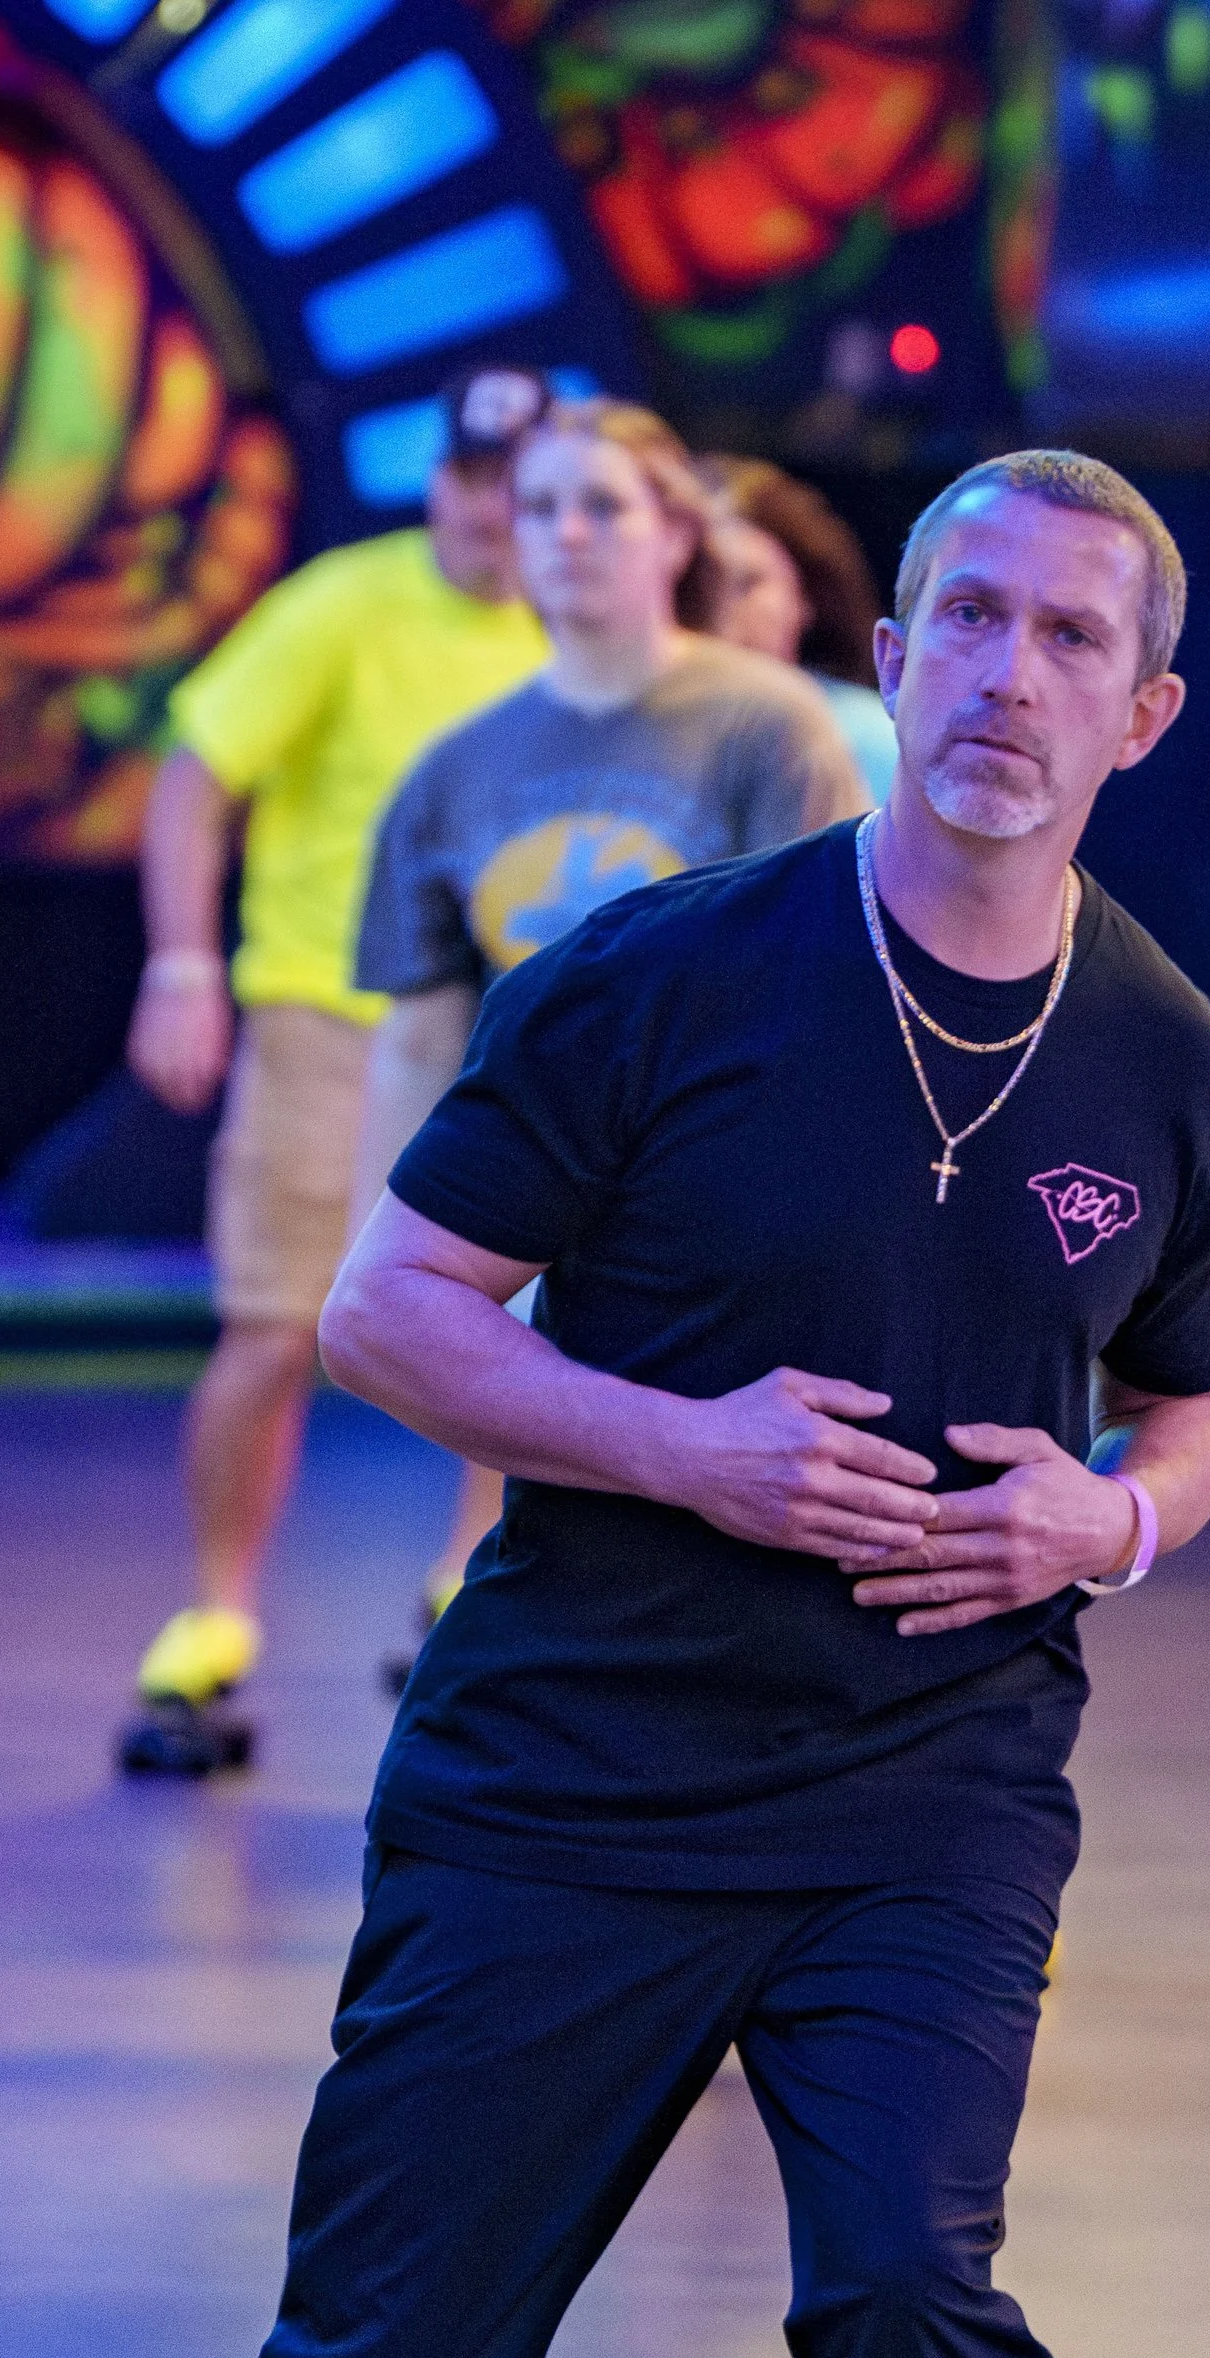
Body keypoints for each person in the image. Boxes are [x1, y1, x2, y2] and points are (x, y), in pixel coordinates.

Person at [43, 450, 1210, 2358]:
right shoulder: (660, 980)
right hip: (572, 1774)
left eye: (1070, 636)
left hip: (927, 1790)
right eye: (964, 612)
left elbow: (1187, 1395)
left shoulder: (1162, 1053)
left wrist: (1120, 1515)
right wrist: (684, 1450)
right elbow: (387, 1310)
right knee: (393, 2350)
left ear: (1135, 714)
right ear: (891, 655)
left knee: (920, 2316)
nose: (1005, 671)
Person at [352, 397, 868, 1679]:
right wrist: (393, 1243)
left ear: (671, 532)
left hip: (723, 1196)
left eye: (601, 505)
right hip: (534, 1193)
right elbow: (422, 1033)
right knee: (560, 1530)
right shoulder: (454, 768)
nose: (566, 535)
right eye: (539, 508)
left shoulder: (769, 725)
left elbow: (837, 985)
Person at [116, 365, 553, 1779]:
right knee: (271, 1325)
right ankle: (216, 1612)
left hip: (507, 1032)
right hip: (328, 1008)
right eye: (475, 478)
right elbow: (200, 767)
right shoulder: (346, 605)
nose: (494, 511)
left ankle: (465, 1586)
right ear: (440, 481)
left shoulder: (583, 630)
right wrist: (183, 964)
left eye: (522, 484)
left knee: (522, 1332)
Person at [701, 452, 899, 804]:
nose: (721, 608)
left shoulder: (875, 743)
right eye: (700, 585)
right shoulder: (640, 732)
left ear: (805, 597)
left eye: (748, 582)